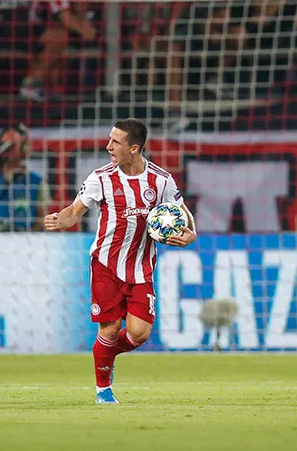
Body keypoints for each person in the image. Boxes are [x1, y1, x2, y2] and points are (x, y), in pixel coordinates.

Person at [44, 118, 196, 405]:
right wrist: (58, 220)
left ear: (134, 149)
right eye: (109, 140)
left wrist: (191, 234)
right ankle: (103, 390)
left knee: (139, 334)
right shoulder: (100, 178)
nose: (108, 146)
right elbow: (75, 212)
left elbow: (182, 213)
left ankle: (106, 353)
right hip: (106, 265)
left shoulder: (161, 181)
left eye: (116, 142)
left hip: (141, 268)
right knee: (109, 329)